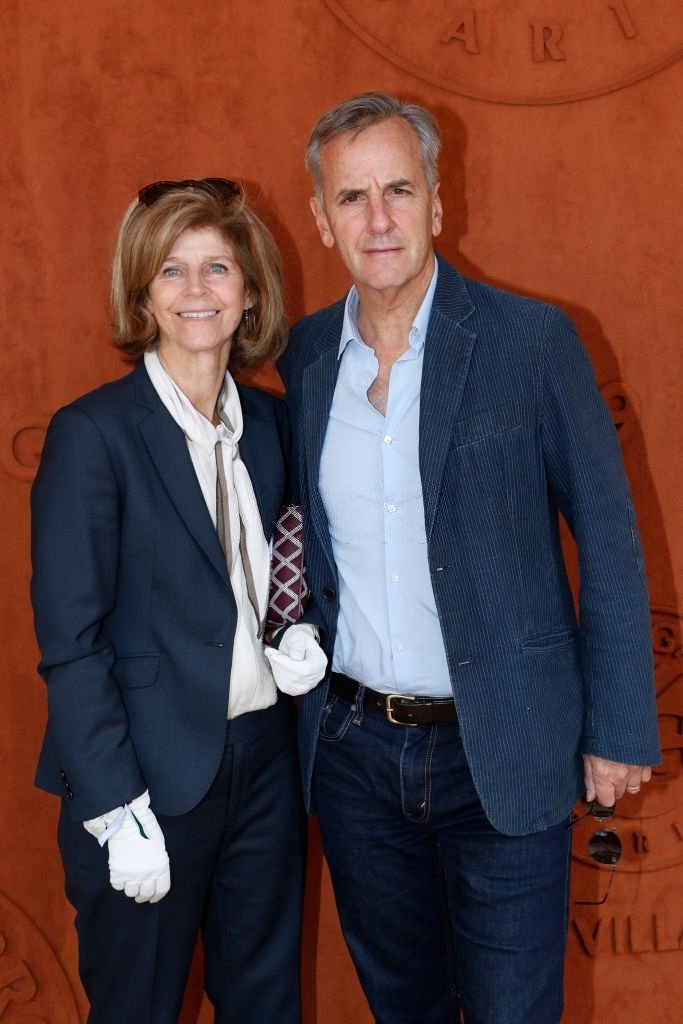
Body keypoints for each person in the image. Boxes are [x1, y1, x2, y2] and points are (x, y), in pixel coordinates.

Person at [278, 93, 661, 1024]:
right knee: (401, 1007)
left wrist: (615, 726)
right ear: (323, 219)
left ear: (437, 204)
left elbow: (607, 534)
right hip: (355, 758)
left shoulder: (531, 344)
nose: (379, 219)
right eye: (353, 197)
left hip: (504, 748)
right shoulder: (300, 362)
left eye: (399, 190)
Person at [30, 178, 325, 1023]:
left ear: (250, 291)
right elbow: (71, 643)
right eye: (171, 271)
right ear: (142, 294)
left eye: (217, 268)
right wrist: (115, 806)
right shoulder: (94, 436)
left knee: (266, 1004)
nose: (196, 291)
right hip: (145, 780)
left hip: (265, 765)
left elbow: (293, 563)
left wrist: (301, 629)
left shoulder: (271, 425)